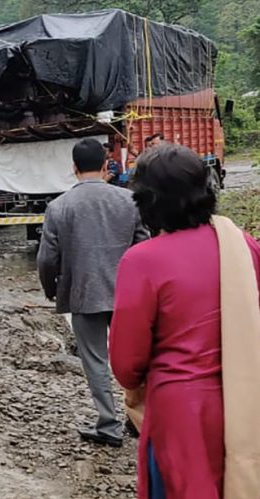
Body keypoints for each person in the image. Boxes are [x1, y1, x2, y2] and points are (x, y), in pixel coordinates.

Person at [109, 144, 260, 499]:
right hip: (247, 403)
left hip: (181, 414)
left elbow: (126, 362)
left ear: (147, 202)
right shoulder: (244, 247)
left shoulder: (143, 261)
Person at [37, 138, 149, 447]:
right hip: (128, 295)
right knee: (138, 358)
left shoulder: (58, 207)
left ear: (73, 168)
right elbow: (144, 246)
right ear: (105, 165)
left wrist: (52, 288)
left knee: (96, 361)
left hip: (84, 295)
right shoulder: (129, 201)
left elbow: (47, 258)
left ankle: (109, 426)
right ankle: (143, 420)